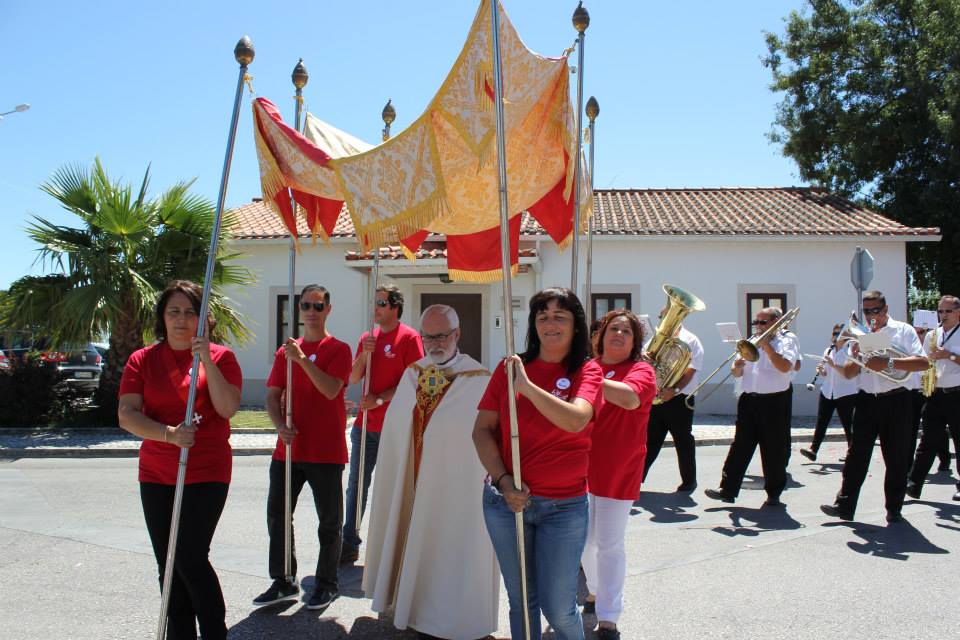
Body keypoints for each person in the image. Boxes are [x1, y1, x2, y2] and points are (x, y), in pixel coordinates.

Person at [473, 287, 603, 640]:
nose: (550, 323)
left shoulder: (587, 370)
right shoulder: (510, 367)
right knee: (522, 604)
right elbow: (482, 431)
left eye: (560, 316)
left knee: (559, 608)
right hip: (506, 504)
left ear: (576, 326)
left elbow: (577, 419)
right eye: (542, 316)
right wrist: (503, 481)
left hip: (564, 507)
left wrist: (528, 389)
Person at [363, 304, 499, 640]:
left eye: (441, 335)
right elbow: (397, 429)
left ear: (457, 335)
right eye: (428, 336)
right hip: (411, 480)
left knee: (451, 547)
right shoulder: (413, 374)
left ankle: (452, 617)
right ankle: (411, 608)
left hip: (456, 488)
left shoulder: (479, 379)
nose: (435, 343)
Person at [118, 280, 242, 640]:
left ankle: (215, 632)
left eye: (191, 312)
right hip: (157, 474)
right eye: (174, 311)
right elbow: (127, 414)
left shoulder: (221, 358)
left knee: (189, 556)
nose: (182, 319)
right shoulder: (141, 360)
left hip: (207, 473)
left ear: (204, 320)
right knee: (168, 565)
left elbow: (228, 406)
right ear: (162, 317)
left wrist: (204, 360)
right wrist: (168, 435)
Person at [252, 285, 352, 610]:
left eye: (318, 306)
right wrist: (279, 425)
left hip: (326, 450)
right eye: (307, 305)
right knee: (278, 516)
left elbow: (330, 389)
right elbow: (271, 393)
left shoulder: (338, 348)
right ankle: (284, 580)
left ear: (328, 310)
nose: (312, 311)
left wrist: (303, 359)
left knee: (329, 522)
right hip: (289, 451)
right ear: (299, 309)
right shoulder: (285, 353)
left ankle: (326, 583)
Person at [580, 310, 657, 640]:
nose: (620, 334)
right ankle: (595, 592)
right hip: (580, 465)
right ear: (601, 334)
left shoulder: (641, 370)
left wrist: (588, 377)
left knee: (609, 544)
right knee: (584, 544)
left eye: (627, 331)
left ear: (635, 340)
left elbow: (628, 398)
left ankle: (609, 617)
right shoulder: (589, 367)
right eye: (614, 328)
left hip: (619, 468)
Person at [820, 290, 928, 523]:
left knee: (896, 456)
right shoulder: (864, 335)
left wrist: (888, 361)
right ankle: (845, 505)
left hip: (897, 399)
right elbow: (849, 374)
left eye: (875, 310)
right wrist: (852, 358)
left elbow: (923, 362)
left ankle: (894, 508)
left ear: (886, 309)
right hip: (867, 399)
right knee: (856, 454)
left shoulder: (903, 330)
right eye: (866, 311)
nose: (871, 315)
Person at [341, 284, 424, 563]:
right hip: (365, 427)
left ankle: (395, 545)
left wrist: (379, 400)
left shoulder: (409, 338)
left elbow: (416, 382)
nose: (375, 308)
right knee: (356, 484)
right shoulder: (368, 337)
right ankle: (349, 541)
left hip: (396, 426)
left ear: (395, 306)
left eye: (381, 302)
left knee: (395, 486)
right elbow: (353, 378)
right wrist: (365, 353)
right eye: (374, 302)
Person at [704, 307, 799, 507]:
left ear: (776, 322)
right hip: (749, 400)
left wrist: (767, 347)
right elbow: (737, 373)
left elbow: (785, 367)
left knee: (773, 448)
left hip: (775, 401)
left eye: (762, 322)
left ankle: (774, 493)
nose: (757, 326)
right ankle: (727, 489)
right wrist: (737, 367)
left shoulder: (787, 340)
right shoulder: (751, 341)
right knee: (740, 446)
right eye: (755, 322)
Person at [642, 309, 704, 492]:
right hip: (656, 396)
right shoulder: (654, 340)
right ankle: (636, 479)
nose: (664, 320)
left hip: (680, 397)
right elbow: (645, 364)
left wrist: (675, 390)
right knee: (650, 440)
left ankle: (689, 481)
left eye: (667, 317)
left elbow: (692, 370)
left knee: (683, 440)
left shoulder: (691, 340)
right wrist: (645, 359)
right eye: (662, 317)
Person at [907, 295, 960, 502]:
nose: (943, 315)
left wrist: (950, 355)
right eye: (940, 311)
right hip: (935, 393)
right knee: (927, 440)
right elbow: (926, 361)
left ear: (958, 312)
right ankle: (914, 483)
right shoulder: (933, 335)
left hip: (957, 393)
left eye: (947, 311)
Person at [799, 324, 857, 461]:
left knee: (848, 423)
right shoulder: (829, 350)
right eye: (834, 333)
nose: (835, 336)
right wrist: (822, 370)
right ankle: (813, 450)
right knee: (821, 421)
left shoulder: (850, 351)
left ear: (844, 336)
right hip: (827, 391)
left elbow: (847, 373)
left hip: (846, 392)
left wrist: (832, 365)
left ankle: (852, 452)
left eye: (838, 334)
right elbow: (827, 373)